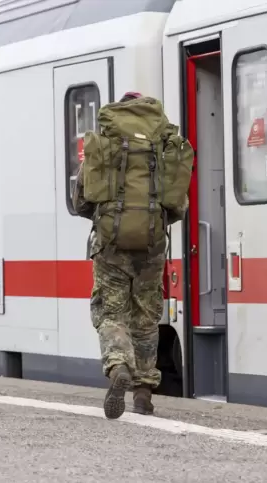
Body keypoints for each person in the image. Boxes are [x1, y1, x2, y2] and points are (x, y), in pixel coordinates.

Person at [72, 91, 189, 420]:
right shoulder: (161, 144)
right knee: (146, 316)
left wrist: (107, 216)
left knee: (110, 313)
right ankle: (143, 394)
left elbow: (80, 201)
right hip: (152, 246)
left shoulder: (107, 143)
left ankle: (118, 364)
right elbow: (177, 205)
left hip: (110, 244)